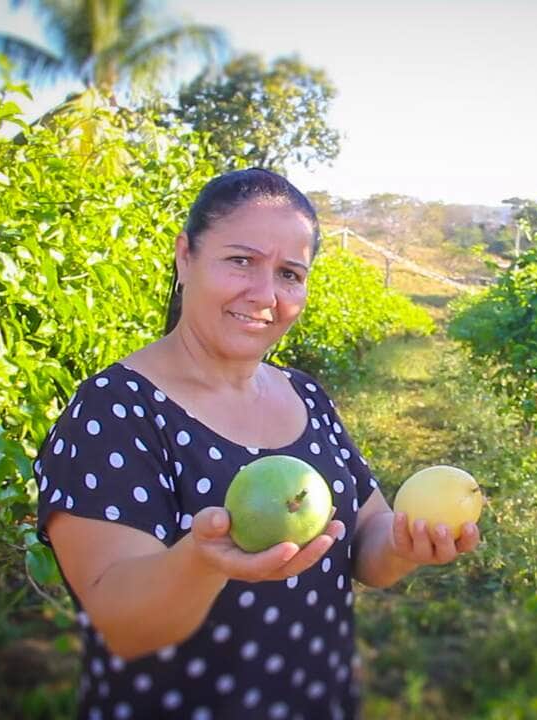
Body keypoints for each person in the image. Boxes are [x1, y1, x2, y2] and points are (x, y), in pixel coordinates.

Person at [33, 167, 481, 720]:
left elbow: (364, 539)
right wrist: (204, 560)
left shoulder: (306, 395)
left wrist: (404, 544)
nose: (265, 294)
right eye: (241, 260)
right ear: (185, 257)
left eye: (290, 273)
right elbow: (123, 627)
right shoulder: (116, 409)